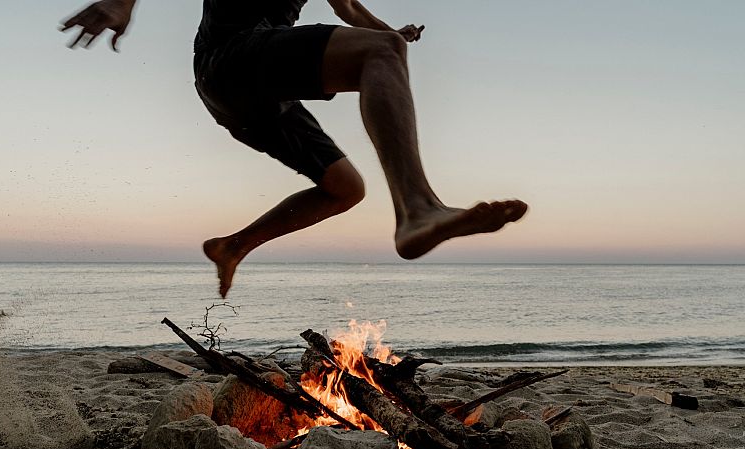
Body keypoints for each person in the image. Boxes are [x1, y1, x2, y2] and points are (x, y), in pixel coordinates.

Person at [62, 0, 528, 298]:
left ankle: (232, 247)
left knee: (345, 188)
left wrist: (395, 34)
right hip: (232, 56)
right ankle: (419, 209)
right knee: (380, 52)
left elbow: (350, 11)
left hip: (246, 95)